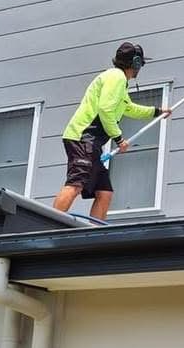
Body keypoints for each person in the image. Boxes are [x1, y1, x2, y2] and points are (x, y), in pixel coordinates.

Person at [53, 42, 171, 220]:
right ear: (136, 63)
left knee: (104, 192)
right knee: (76, 183)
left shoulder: (118, 81)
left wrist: (157, 112)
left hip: (92, 142)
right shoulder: (116, 77)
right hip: (83, 137)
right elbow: (106, 109)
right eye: (141, 64)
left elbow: (128, 108)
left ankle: (94, 232)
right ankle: (49, 225)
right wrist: (119, 139)